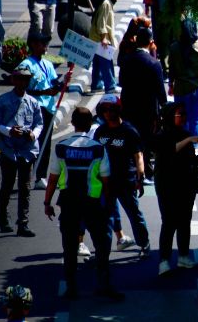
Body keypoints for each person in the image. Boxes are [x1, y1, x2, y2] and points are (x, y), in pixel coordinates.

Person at [43, 107, 124, 301]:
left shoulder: (61, 147)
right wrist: (109, 205)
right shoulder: (97, 148)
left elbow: (53, 178)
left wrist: (47, 202)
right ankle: (104, 286)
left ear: (72, 123)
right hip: (93, 204)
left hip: (69, 203)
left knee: (69, 247)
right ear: (90, 125)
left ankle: (71, 289)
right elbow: (106, 180)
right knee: (102, 245)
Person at [153, 102, 198, 275]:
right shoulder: (161, 135)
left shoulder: (185, 134)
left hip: (186, 184)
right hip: (167, 185)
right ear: (170, 116)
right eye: (180, 114)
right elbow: (170, 151)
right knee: (169, 222)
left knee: (184, 221)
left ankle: (183, 256)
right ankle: (164, 260)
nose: (184, 118)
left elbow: (187, 159)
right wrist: (189, 140)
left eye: (185, 114)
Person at [93, 95, 150, 257]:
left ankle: (143, 243)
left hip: (126, 181)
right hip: (105, 182)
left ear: (118, 110)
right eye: (104, 110)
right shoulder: (100, 131)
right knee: (105, 218)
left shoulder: (129, 131)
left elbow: (138, 155)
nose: (107, 113)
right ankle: (103, 250)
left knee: (134, 213)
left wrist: (140, 175)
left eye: (111, 109)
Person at [0, 65, 43, 237]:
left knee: (25, 187)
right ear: (13, 80)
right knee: (7, 185)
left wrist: (34, 134)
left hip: (27, 150)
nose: (23, 82)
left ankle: (23, 223)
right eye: (19, 78)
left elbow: (39, 123)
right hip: (9, 149)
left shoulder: (33, 102)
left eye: (26, 79)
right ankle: (2, 218)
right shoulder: (2, 101)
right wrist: (8, 131)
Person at [21, 31, 71, 189]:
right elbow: (22, 88)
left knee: (46, 144)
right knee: (32, 142)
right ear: (34, 45)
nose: (45, 47)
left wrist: (63, 83)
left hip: (49, 107)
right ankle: (28, 174)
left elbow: (54, 83)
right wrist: (44, 92)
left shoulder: (48, 64)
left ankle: (40, 176)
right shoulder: (26, 65)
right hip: (34, 108)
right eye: (42, 44)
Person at [120, 27, 166, 181]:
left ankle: (133, 169)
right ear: (151, 42)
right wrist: (163, 108)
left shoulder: (126, 60)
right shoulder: (154, 63)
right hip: (147, 110)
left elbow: (121, 82)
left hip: (128, 107)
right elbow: (161, 92)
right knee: (146, 140)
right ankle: (146, 169)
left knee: (131, 139)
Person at [169, 18, 198, 136]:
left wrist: (171, 85)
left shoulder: (174, 47)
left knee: (182, 119)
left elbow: (171, 69)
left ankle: (185, 146)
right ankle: (195, 147)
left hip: (180, 88)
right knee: (195, 119)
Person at [88, 0, 121, 94]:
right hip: (100, 38)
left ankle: (96, 85)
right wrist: (104, 38)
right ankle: (110, 86)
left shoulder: (108, 2)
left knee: (97, 63)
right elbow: (101, 22)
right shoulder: (106, 3)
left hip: (96, 37)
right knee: (107, 62)